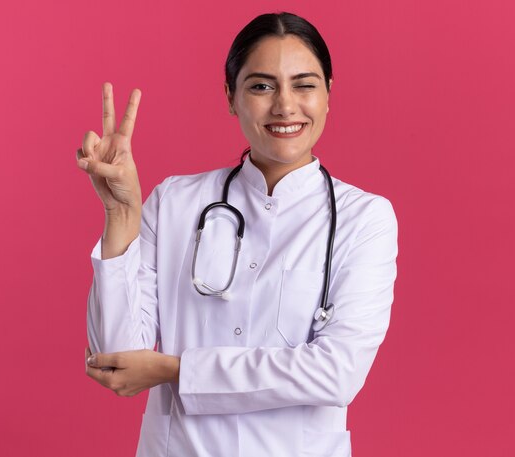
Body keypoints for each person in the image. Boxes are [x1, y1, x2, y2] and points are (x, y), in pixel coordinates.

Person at [77, 12, 398, 457]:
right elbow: (115, 358)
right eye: (261, 86)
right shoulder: (174, 202)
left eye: (304, 84)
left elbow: (337, 373)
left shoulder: (364, 219)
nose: (285, 105)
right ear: (231, 96)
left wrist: (176, 370)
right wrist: (120, 211)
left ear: (328, 94)